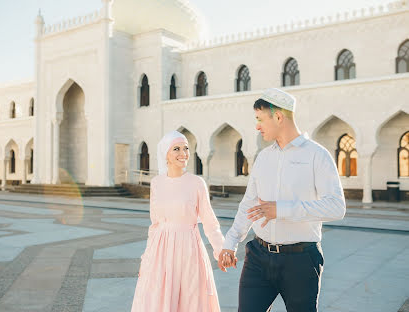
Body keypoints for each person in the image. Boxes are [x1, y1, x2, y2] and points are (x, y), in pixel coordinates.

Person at [218, 88, 346, 312]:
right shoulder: (263, 158)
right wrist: (230, 243)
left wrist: (282, 210)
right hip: (258, 257)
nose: (257, 126)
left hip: (301, 261)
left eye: (260, 119)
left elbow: (337, 207)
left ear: (278, 117)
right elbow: (249, 204)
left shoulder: (317, 155)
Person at [131, 130, 225, 312]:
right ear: (165, 153)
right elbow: (155, 224)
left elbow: (209, 222)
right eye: (176, 149)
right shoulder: (156, 183)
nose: (183, 154)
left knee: (189, 301)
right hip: (160, 252)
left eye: (186, 148)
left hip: (189, 250)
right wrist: (146, 259)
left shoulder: (197, 183)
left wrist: (221, 250)